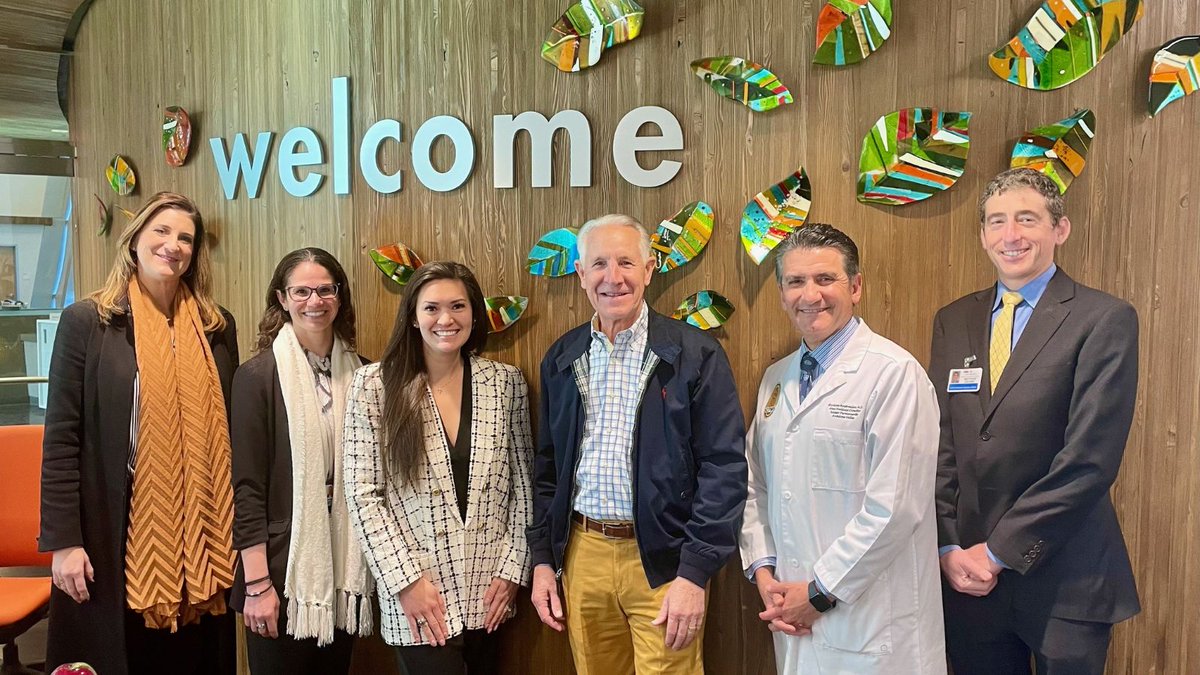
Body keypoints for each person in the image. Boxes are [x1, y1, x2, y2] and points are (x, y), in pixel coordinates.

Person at [931, 168, 1140, 674]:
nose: (1011, 236)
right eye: (997, 222)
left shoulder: (1103, 319)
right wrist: (946, 544)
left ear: (1059, 229)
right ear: (982, 235)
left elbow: (1089, 460)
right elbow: (941, 444)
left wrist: (997, 552)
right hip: (969, 582)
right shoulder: (953, 319)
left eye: (1027, 219)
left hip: (1065, 580)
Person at [527, 214, 748, 675]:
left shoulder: (694, 353)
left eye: (626, 262)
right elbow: (547, 468)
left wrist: (695, 571)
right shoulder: (563, 356)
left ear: (649, 270)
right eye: (599, 264)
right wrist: (545, 560)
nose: (614, 277)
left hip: (665, 558)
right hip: (582, 553)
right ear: (580, 274)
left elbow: (723, 468)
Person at [39, 192, 238, 675]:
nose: (173, 245)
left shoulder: (216, 326)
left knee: (194, 660)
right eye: (162, 232)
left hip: (204, 534)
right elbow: (62, 439)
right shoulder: (87, 322)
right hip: (114, 525)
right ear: (134, 242)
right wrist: (64, 542)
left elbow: (230, 429)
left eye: (185, 238)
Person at [739, 224, 946, 674]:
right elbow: (756, 486)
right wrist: (765, 571)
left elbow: (894, 509)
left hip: (872, 625)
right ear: (781, 293)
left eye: (824, 279)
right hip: (792, 614)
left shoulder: (894, 375)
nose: (809, 295)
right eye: (795, 281)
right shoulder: (777, 379)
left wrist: (819, 592)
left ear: (855, 287)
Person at [343, 261, 534, 674]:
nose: (446, 319)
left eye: (458, 306)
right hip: (419, 594)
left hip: (491, 592)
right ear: (412, 316)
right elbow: (363, 495)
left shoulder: (505, 383)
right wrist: (405, 583)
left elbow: (524, 485)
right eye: (431, 308)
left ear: (474, 314)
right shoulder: (375, 384)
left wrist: (513, 570)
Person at [230, 248, 373, 673]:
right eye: (302, 291)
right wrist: (257, 585)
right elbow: (248, 488)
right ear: (282, 298)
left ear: (340, 297)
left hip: (345, 562)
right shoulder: (256, 377)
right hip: (281, 567)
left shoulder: (364, 374)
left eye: (325, 290)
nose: (315, 301)